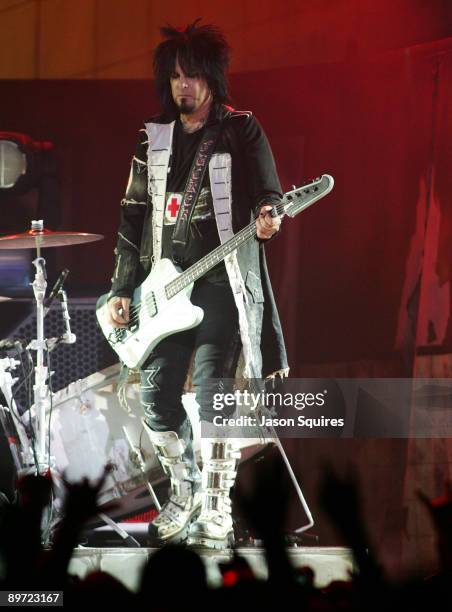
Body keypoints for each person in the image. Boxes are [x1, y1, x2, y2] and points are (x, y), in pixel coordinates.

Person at [106, 20, 288, 550]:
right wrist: (122, 287)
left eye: (192, 76)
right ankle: (184, 492)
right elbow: (131, 215)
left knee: (213, 393)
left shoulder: (240, 129)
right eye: (176, 77)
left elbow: (268, 194)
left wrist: (269, 215)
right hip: (165, 290)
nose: (183, 86)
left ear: (211, 78)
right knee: (157, 399)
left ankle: (216, 512)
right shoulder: (153, 138)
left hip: (221, 283)